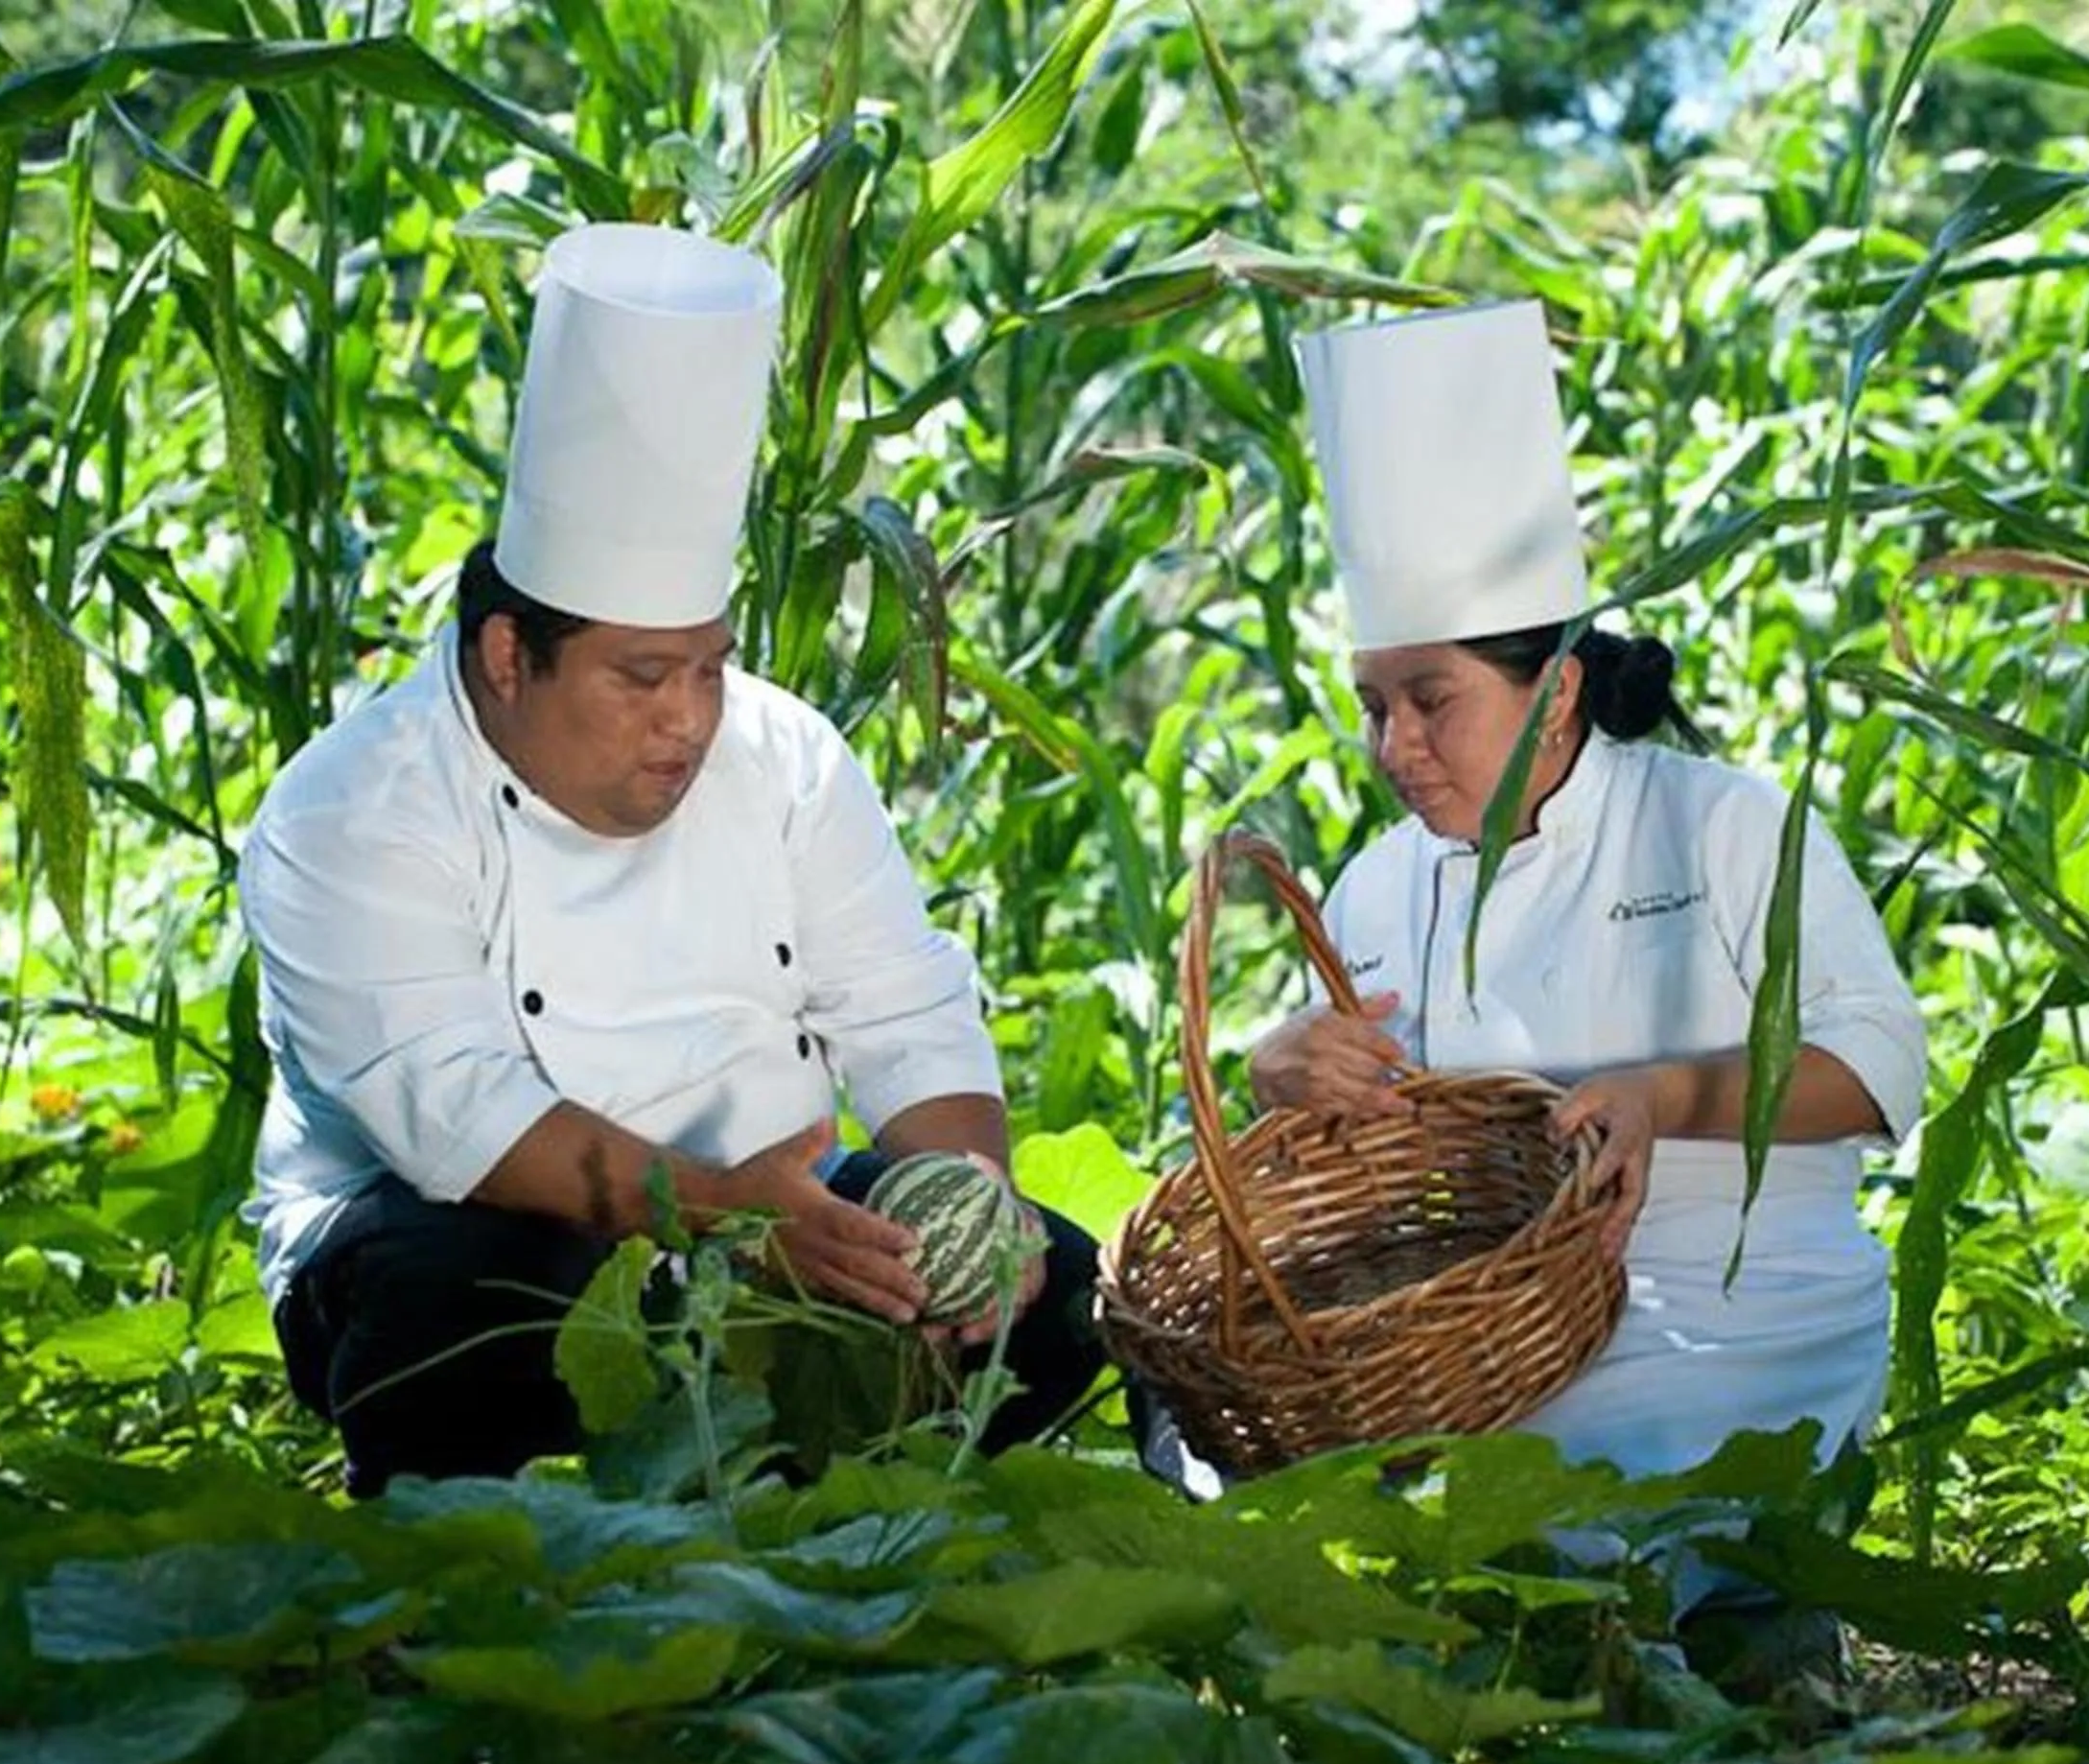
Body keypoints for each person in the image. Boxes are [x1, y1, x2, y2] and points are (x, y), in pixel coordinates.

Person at [239, 223, 1104, 1496]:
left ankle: (781, 1484)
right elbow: (464, 1124)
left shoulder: (786, 757)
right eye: (641, 678)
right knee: (463, 1307)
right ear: (504, 657)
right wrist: (743, 1224)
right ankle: (568, 1529)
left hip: (777, 1213)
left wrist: (967, 1200)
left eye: (710, 665)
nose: (691, 718)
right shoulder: (352, 810)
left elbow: (904, 1013)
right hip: (476, 1228)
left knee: (1064, 1292)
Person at [1247, 299, 1926, 1515]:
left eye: (1431, 699)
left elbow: (1880, 1069)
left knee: (1558, 1507)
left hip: (1737, 1308)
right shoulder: (1376, 885)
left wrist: (1667, 1097)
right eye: (1371, 705)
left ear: (1556, 697)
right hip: (1481, 1326)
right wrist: (1285, 1075)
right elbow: (1361, 1175)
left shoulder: (1721, 825)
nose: (1393, 745)